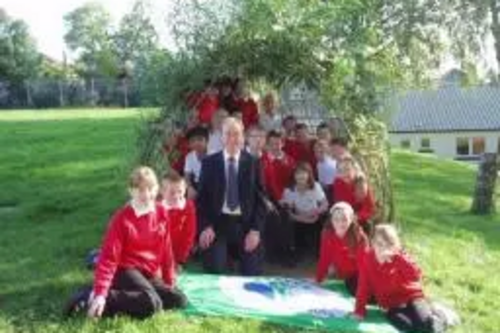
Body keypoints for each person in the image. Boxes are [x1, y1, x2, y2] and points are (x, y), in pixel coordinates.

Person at [64, 167, 187, 319]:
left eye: (150, 188)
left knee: (178, 299)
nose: (145, 194)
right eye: (139, 189)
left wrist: (169, 281)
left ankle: (124, 295)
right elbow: (108, 258)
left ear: (156, 189)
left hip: (146, 272)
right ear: (131, 190)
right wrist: (101, 293)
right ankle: (91, 296)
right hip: (124, 269)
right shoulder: (122, 219)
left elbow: (166, 250)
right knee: (151, 303)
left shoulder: (161, 212)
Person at [197, 117, 265, 275]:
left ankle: (238, 257)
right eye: (228, 134)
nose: (232, 139)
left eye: (236, 134)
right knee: (215, 271)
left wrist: (255, 231)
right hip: (218, 224)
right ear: (221, 137)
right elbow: (201, 201)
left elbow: (261, 201)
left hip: (245, 224)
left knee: (252, 274)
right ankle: (225, 258)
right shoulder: (209, 163)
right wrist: (205, 226)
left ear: (243, 137)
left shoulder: (254, 163)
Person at [353, 224, 448, 333]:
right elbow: (363, 287)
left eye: (388, 244)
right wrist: (359, 311)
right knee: (407, 326)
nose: (383, 249)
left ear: (394, 245)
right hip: (392, 305)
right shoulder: (368, 260)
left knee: (426, 326)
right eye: (379, 244)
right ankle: (428, 315)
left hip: (411, 297)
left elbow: (415, 276)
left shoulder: (400, 256)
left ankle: (441, 315)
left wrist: (397, 258)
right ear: (372, 242)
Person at [315, 202, 368, 295]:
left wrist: (363, 284)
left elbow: (363, 263)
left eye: (344, 219)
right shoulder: (327, 234)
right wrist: (319, 278)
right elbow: (324, 258)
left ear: (351, 219)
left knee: (360, 291)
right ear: (331, 220)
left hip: (360, 273)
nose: (340, 223)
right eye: (336, 219)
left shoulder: (359, 236)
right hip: (343, 274)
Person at [280, 162, 328, 260]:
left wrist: (314, 213)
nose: (300, 176)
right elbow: (288, 212)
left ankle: (321, 252)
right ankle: (293, 253)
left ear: (309, 175)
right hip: (298, 219)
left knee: (324, 221)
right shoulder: (289, 190)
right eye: (298, 173)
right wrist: (301, 218)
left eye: (303, 173)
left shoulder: (315, 186)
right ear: (294, 175)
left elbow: (325, 204)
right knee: (289, 225)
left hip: (314, 217)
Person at [161, 171, 197, 267]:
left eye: (180, 191)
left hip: (178, 253)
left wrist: (181, 260)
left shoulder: (188, 206)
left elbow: (189, 234)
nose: (176, 196)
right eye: (172, 192)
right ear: (162, 192)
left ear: (185, 190)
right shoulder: (157, 208)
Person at [183, 126, 209, 199]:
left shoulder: (214, 155)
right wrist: (190, 188)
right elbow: (186, 177)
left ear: (207, 141)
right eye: (193, 141)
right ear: (190, 144)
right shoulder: (189, 157)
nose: (197, 143)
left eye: (200, 139)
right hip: (197, 184)